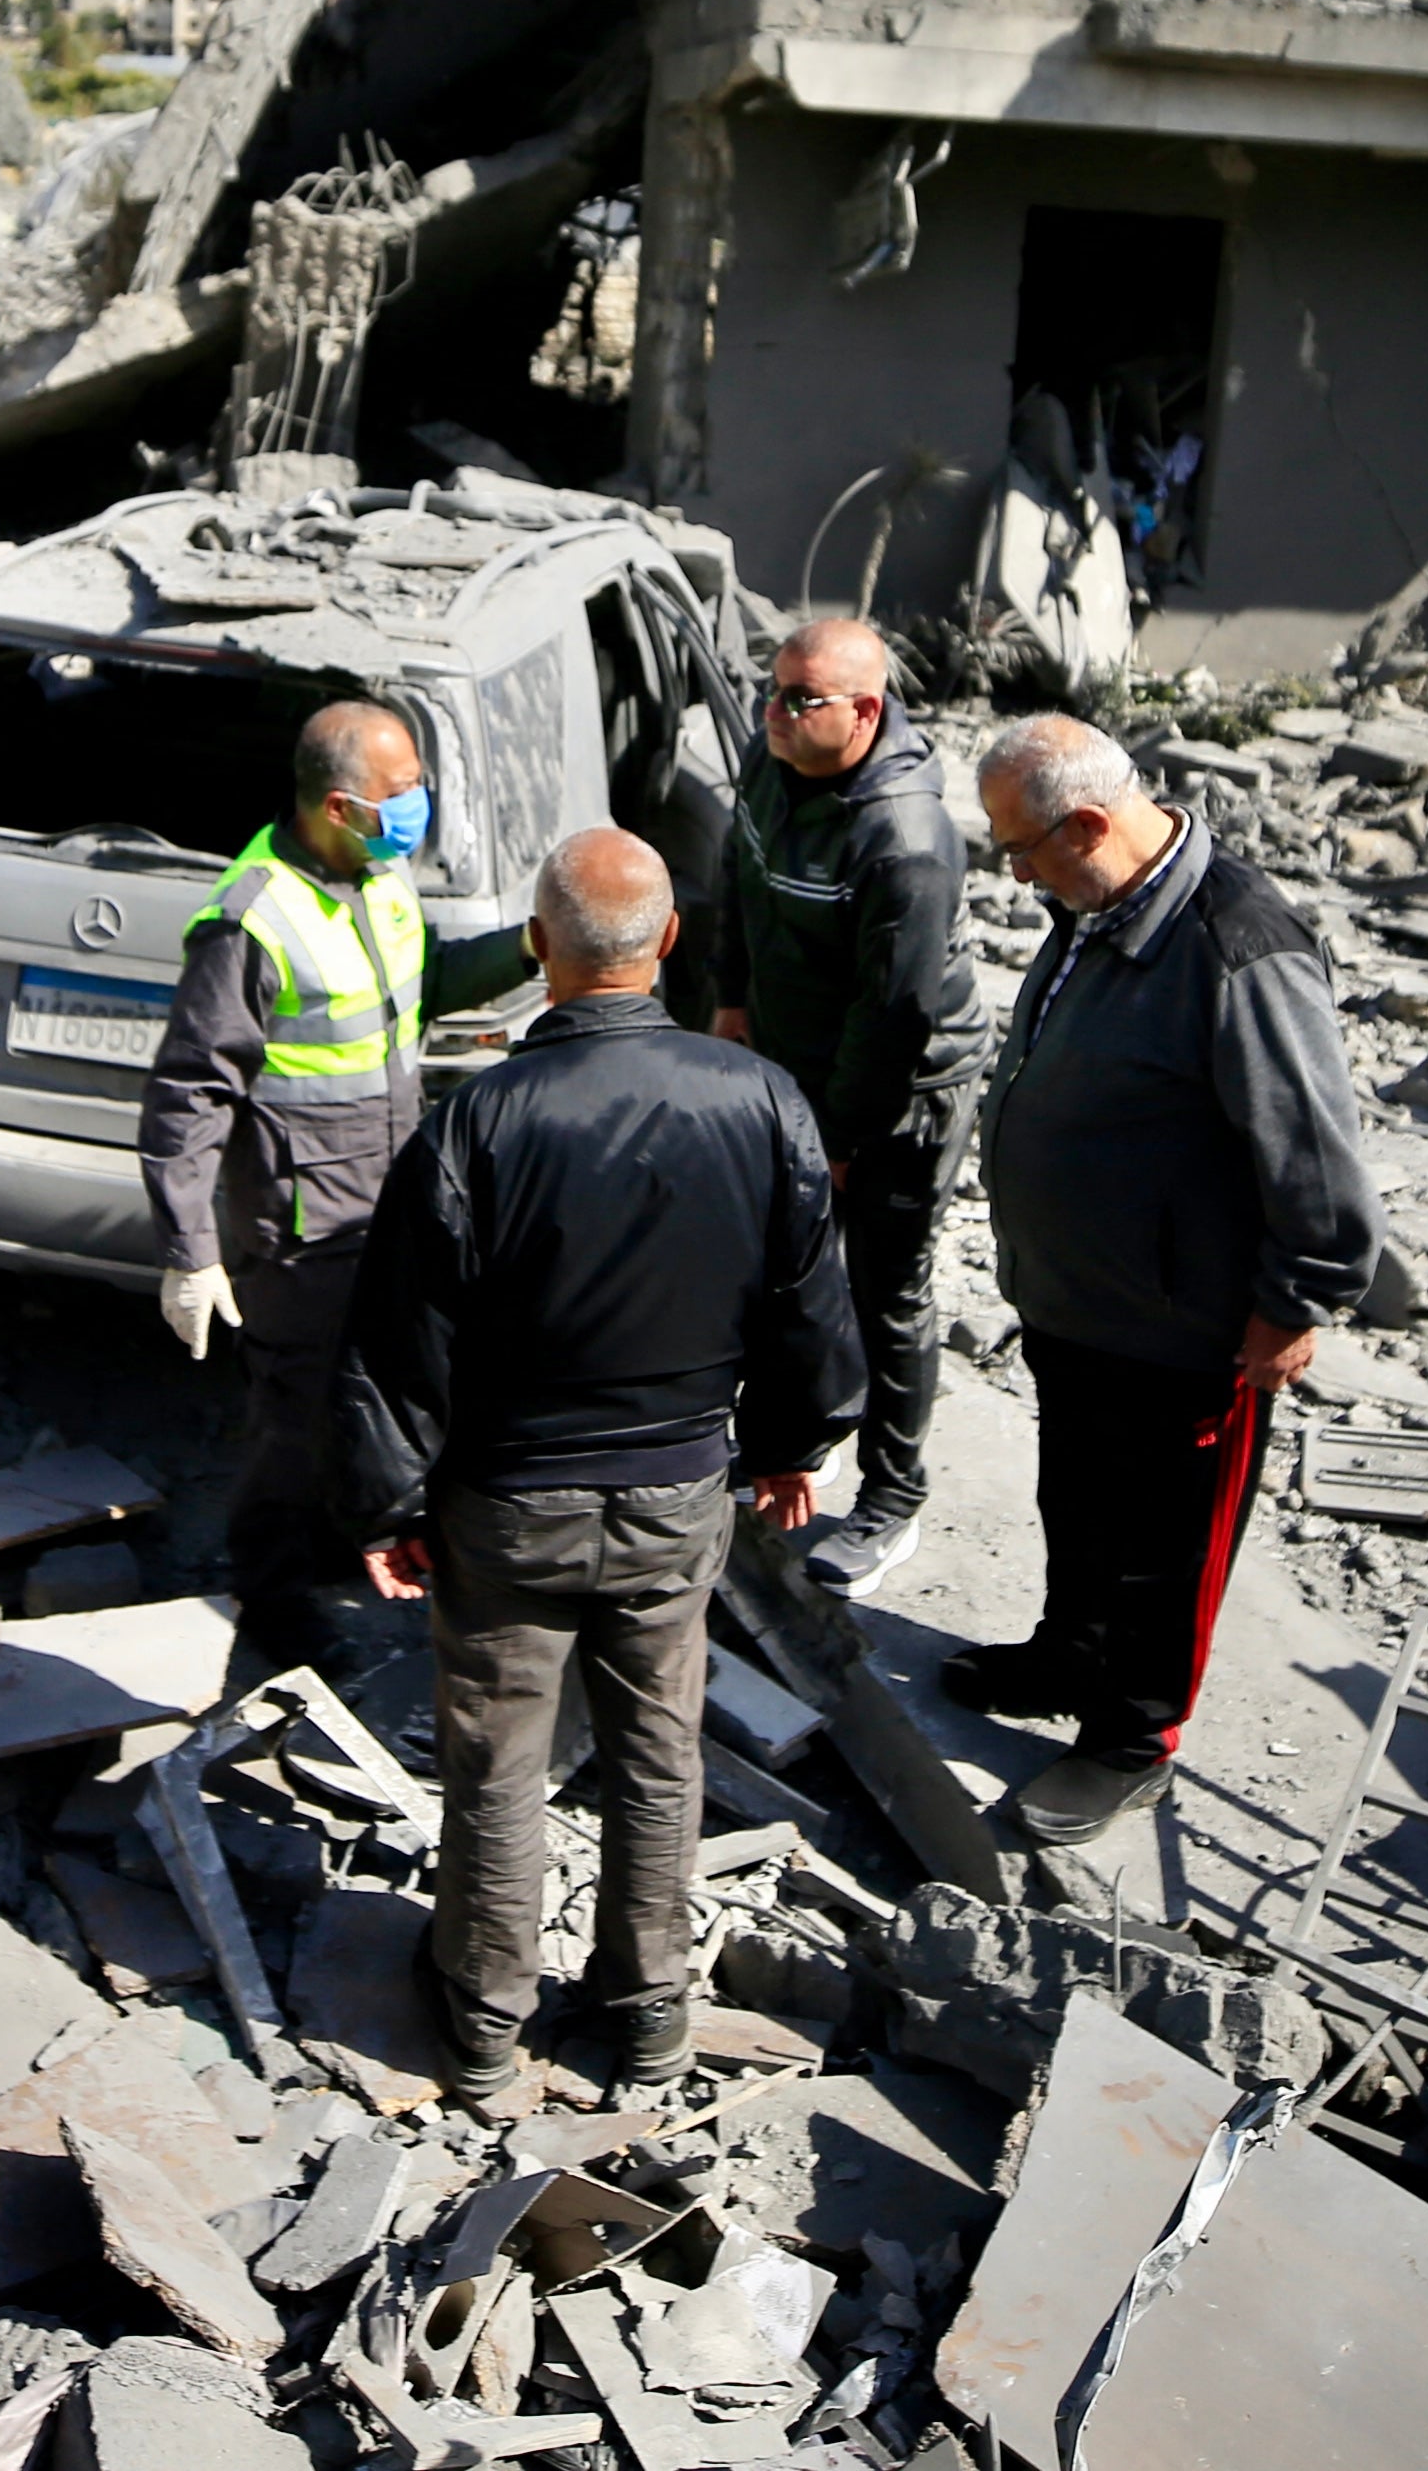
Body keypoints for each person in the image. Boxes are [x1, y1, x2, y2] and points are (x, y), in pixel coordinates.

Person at [339, 829, 860, 2114]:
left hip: (507, 1505)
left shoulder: (478, 1124)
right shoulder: (761, 1101)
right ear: (669, 941)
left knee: (498, 1765)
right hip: (678, 1497)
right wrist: (795, 1445)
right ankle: (648, 2027)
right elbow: (815, 1311)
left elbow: (403, 1342)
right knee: (656, 1756)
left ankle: (478, 2032)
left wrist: (390, 1501)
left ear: (541, 947)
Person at [952, 714, 1384, 1846]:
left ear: (1090, 824)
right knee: (1078, 1500)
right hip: (1080, 1300)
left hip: (1181, 1327)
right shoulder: (1097, 905)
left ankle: (1134, 1737)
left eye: (1023, 847)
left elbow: (1314, 1151)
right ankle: (1070, 1655)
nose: (1015, 872)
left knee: (1165, 1548)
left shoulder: (1238, 942)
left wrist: (1296, 1299)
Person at [138, 700, 534, 1636]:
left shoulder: (381, 878)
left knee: (378, 1391)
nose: (420, 806)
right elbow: (190, 1092)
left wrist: (523, 952)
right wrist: (191, 1251)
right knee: (298, 1417)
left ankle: (343, 1551)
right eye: (401, 793)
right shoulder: (250, 920)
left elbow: (423, 985)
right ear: (341, 805)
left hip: (384, 1199)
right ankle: (275, 1606)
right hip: (301, 1225)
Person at [705, 615, 978, 1593]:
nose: (774, 713)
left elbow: (893, 1013)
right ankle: (785, 1448)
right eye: (772, 691)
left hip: (899, 1090)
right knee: (779, 1260)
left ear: (865, 712)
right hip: (786, 1055)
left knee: (884, 1289)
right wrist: (731, 1001)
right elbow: (736, 878)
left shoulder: (903, 838)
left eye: (800, 699)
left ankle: (892, 1498)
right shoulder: (770, 756)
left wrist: (844, 1139)